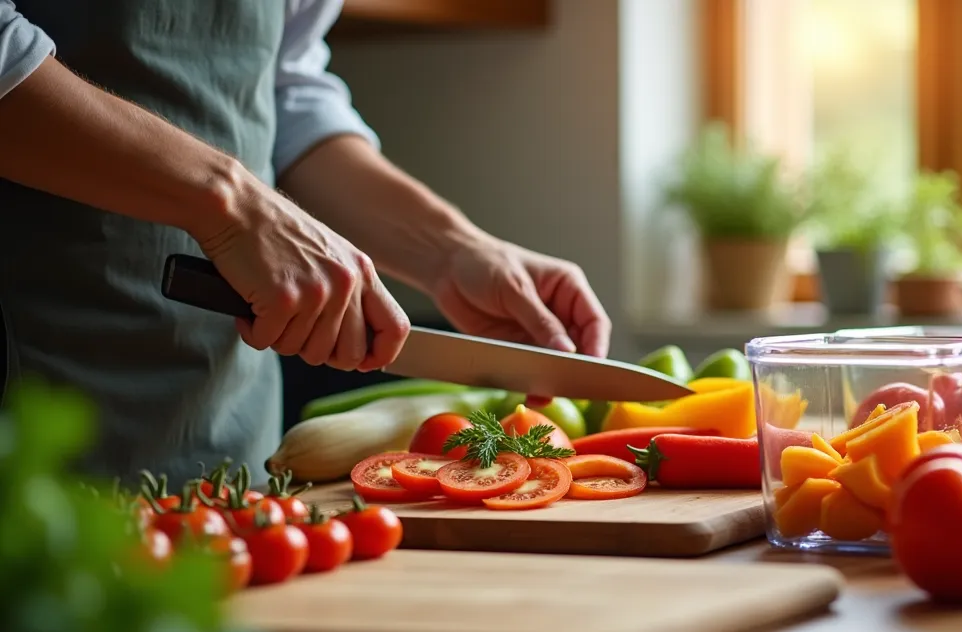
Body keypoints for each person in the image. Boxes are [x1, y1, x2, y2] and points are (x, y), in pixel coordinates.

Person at [0, 0, 611, 486]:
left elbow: (282, 90)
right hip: (28, 404)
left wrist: (452, 250)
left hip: (228, 428)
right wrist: (233, 203)